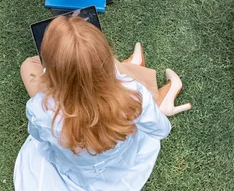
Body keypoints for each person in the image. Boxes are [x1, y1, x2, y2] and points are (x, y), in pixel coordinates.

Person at [14, 16, 191, 190]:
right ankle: (150, 88)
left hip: (77, 174)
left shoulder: (40, 110)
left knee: (28, 66)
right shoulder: (132, 93)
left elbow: (38, 138)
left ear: (52, 72)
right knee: (117, 77)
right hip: (124, 162)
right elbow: (161, 130)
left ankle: (124, 67)